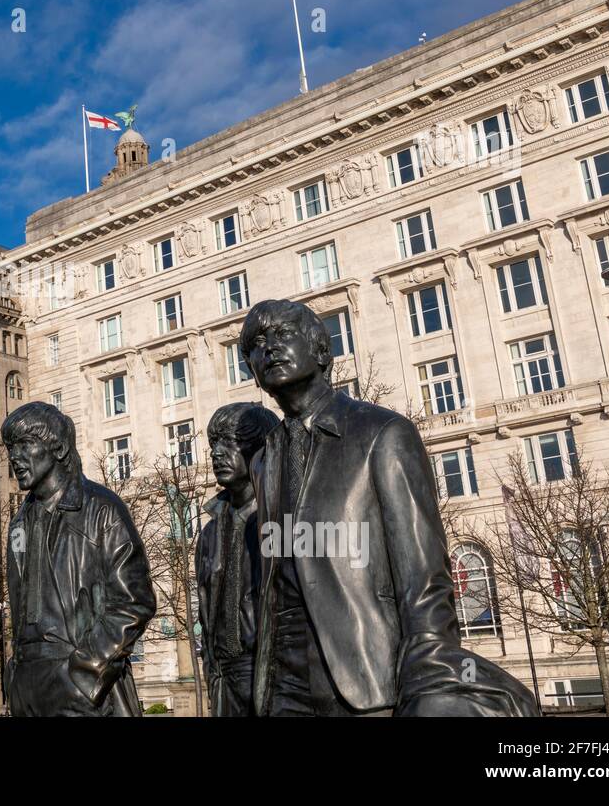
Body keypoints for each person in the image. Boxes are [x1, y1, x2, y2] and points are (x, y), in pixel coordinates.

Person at [238, 299, 536, 717]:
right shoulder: (263, 458)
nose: (268, 348)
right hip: (280, 683)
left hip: (364, 674)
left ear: (322, 352)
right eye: (256, 343)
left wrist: (429, 669)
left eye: (283, 335)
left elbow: (423, 575)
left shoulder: (382, 432)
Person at [2, 402, 156, 716]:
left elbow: (134, 602)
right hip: (27, 687)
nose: (14, 458)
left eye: (25, 446)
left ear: (57, 448)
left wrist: (85, 673)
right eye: (10, 449)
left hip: (80, 686)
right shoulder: (19, 522)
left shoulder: (101, 510)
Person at [195, 402, 278, 716]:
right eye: (214, 444)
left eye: (230, 442)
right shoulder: (209, 534)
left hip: (270, 671)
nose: (217, 452)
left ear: (259, 449)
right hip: (225, 678)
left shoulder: (283, 521)